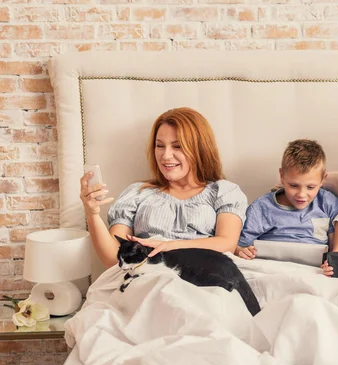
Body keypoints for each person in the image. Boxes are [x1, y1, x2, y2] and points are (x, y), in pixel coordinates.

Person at [79, 107, 248, 267]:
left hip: (201, 275)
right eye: (160, 145)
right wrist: (92, 214)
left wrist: (168, 246)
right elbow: (112, 260)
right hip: (147, 278)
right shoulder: (137, 193)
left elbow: (227, 243)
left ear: (199, 149)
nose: (165, 156)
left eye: (177, 146)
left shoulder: (224, 192)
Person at [235, 139, 338, 260]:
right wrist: (242, 251)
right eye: (294, 186)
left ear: (323, 179)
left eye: (310, 187)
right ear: (281, 176)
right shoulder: (261, 208)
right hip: (269, 266)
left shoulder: (328, 203)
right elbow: (240, 246)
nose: (301, 194)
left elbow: (336, 247)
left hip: (313, 269)